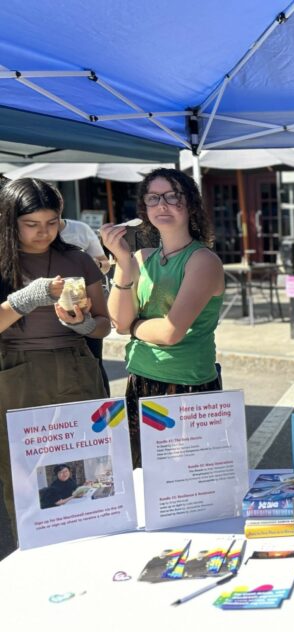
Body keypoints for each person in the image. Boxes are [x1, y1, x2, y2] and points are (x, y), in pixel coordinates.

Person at [0, 178, 110, 538]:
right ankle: (32, 551)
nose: (43, 233)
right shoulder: (3, 261)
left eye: (52, 223)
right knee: (24, 471)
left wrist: (84, 324)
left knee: (88, 458)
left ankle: (92, 540)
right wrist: (24, 299)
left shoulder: (76, 258)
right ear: (9, 219)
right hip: (15, 372)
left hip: (75, 364)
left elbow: (104, 327)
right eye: (31, 224)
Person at [100, 168, 224, 468]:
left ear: (191, 204)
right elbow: (118, 321)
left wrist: (136, 326)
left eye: (172, 196)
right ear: (144, 207)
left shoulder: (203, 260)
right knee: (141, 475)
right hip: (140, 379)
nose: (162, 205)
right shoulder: (140, 257)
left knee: (186, 483)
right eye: (153, 198)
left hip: (186, 387)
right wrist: (123, 262)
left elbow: (170, 332)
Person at [58, 216, 112, 395]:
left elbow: (105, 263)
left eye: (51, 220)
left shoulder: (80, 229)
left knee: (93, 363)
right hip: (54, 315)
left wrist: (92, 264)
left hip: (85, 305)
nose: (43, 229)